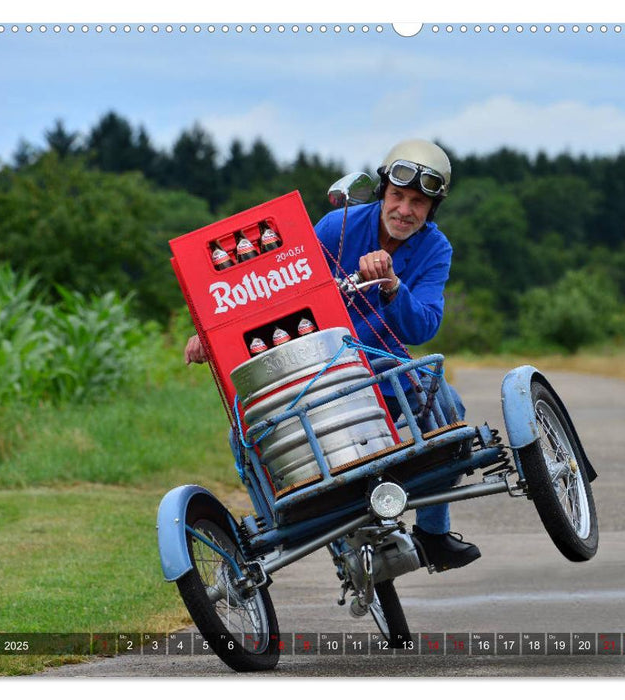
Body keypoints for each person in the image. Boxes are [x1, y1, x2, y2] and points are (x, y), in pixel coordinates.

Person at [184, 138, 480, 572]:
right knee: (244, 434)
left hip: (376, 366)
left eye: (419, 202)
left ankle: (432, 532)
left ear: (432, 209)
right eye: (398, 196)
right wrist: (209, 333)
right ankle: (278, 522)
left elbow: (424, 326)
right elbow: (266, 285)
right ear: (383, 192)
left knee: (444, 400)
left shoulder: (436, 248)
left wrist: (392, 287)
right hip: (312, 368)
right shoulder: (335, 226)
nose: (404, 210)